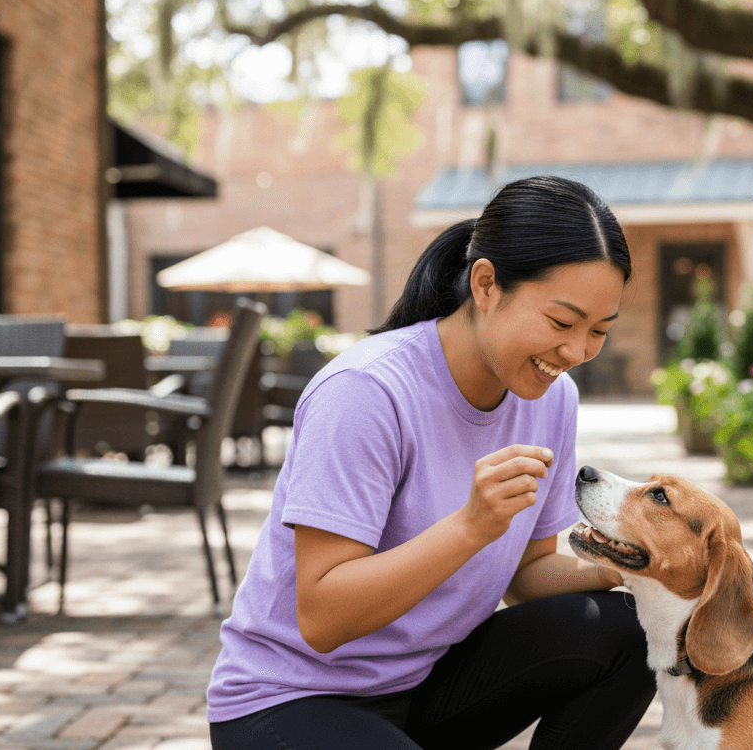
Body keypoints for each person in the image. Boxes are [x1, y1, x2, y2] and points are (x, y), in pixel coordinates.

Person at [207, 176, 655, 750]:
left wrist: (631, 565)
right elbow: (322, 618)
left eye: (599, 331)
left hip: (425, 685)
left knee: (633, 631)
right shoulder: (365, 392)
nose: (576, 353)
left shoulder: (551, 397)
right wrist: (470, 527)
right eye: (562, 323)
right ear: (486, 284)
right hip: (291, 700)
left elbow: (527, 574)